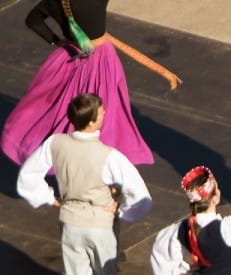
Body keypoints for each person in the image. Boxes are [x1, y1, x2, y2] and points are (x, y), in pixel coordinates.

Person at [17, 92, 152, 275]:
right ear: (92, 121)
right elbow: (141, 196)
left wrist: (50, 198)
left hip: (70, 223)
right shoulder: (108, 156)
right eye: (100, 112)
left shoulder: (56, 144)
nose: (103, 114)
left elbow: (27, 178)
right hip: (99, 225)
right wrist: (121, 210)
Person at [3, 0, 154, 166]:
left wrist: (56, 41)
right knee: (108, 108)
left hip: (70, 57)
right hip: (101, 59)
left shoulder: (54, 2)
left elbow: (33, 21)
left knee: (55, 105)